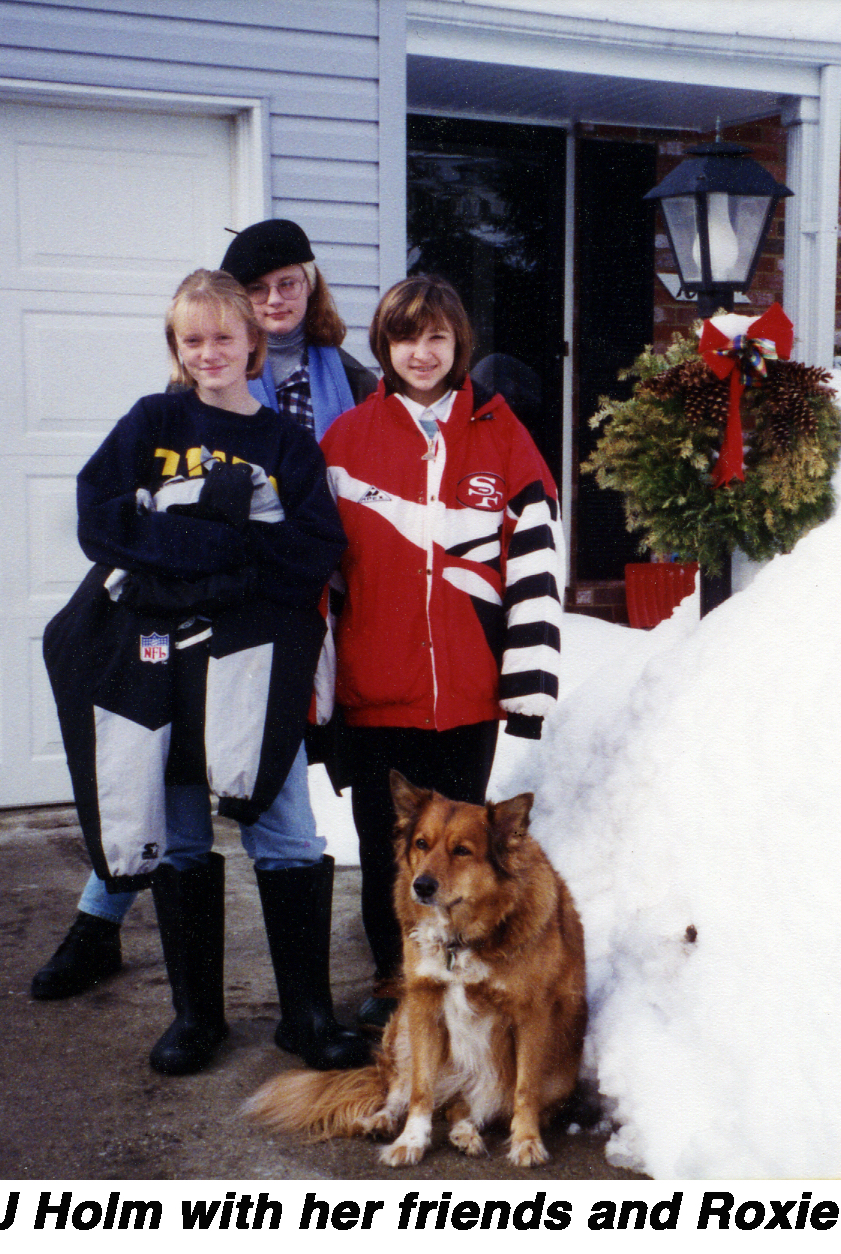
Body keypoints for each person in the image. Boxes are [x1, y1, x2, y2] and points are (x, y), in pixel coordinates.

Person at [31, 220, 374, 1002]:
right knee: (170, 817)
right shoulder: (155, 420)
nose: (210, 352)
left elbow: (312, 542)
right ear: (179, 344)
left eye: (288, 283)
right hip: (163, 653)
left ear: (253, 338)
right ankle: (180, 1003)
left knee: (276, 810)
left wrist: (214, 552)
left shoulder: (319, 409)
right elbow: (103, 517)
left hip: (261, 648)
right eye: (194, 341)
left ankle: (306, 1014)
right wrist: (213, 546)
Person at [318, 274, 563, 1027]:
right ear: (383, 347)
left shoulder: (501, 434)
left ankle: (452, 987)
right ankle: (396, 983)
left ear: (459, 345)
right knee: (389, 854)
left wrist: (526, 684)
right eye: (404, 338)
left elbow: (537, 561)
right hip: (374, 695)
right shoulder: (347, 440)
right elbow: (319, 580)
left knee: (459, 863)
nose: (420, 354)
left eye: (436, 338)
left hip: (464, 699)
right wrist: (315, 697)